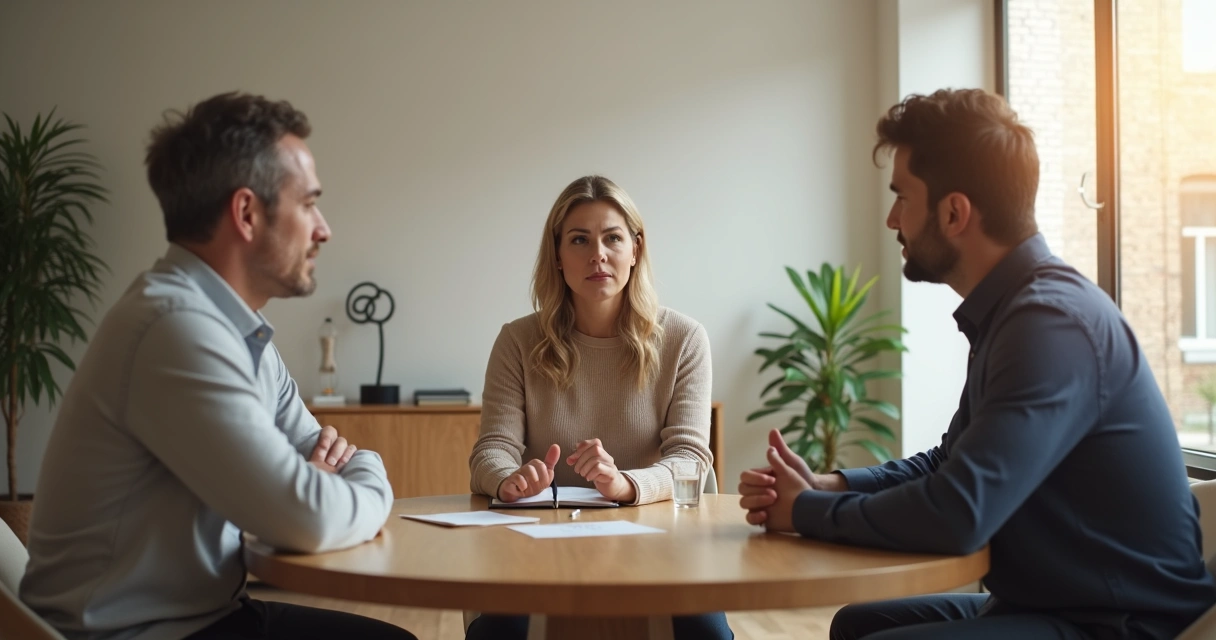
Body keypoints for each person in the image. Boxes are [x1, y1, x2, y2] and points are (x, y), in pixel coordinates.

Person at [739, 88, 1216, 640]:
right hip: (1053, 603)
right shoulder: (1015, 311)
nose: (892, 219)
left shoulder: (1051, 325)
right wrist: (831, 485)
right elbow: (950, 464)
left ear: (954, 212)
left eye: (902, 197)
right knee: (856, 625)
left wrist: (803, 511)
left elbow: (960, 512)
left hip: (1120, 622)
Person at [19, 92, 415, 640]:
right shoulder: (175, 329)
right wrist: (366, 477)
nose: (323, 229)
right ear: (246, 213)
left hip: (209, 617)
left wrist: (325, 483)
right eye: (308, 204)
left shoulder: (240, 332)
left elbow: (312, 460)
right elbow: (309, 516)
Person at [465, 175, 732, 640]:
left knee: (705, 634)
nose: (598, 255)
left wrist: (625, 484)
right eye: (579, 240)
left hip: (663, 542)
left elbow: (691, 458)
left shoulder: (684, 339)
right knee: (497, 632)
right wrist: (509, 480)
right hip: (538, 543)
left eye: (612, 238)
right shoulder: (517, 341)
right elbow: (492, 448)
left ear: (636, 249)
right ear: (557, 255)